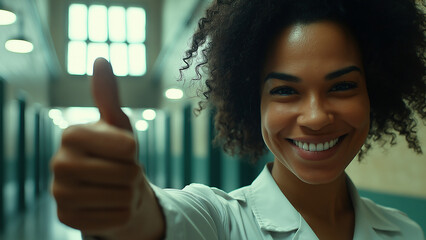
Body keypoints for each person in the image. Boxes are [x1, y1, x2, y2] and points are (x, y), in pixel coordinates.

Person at [51, 0, 426, 239]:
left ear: (373, 92)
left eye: (342, 86)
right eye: (284, 91)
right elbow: (161, 221)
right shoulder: (219, 221)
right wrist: (129, 208)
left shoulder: (406, 231)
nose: (315, 117)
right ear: (253, 103)